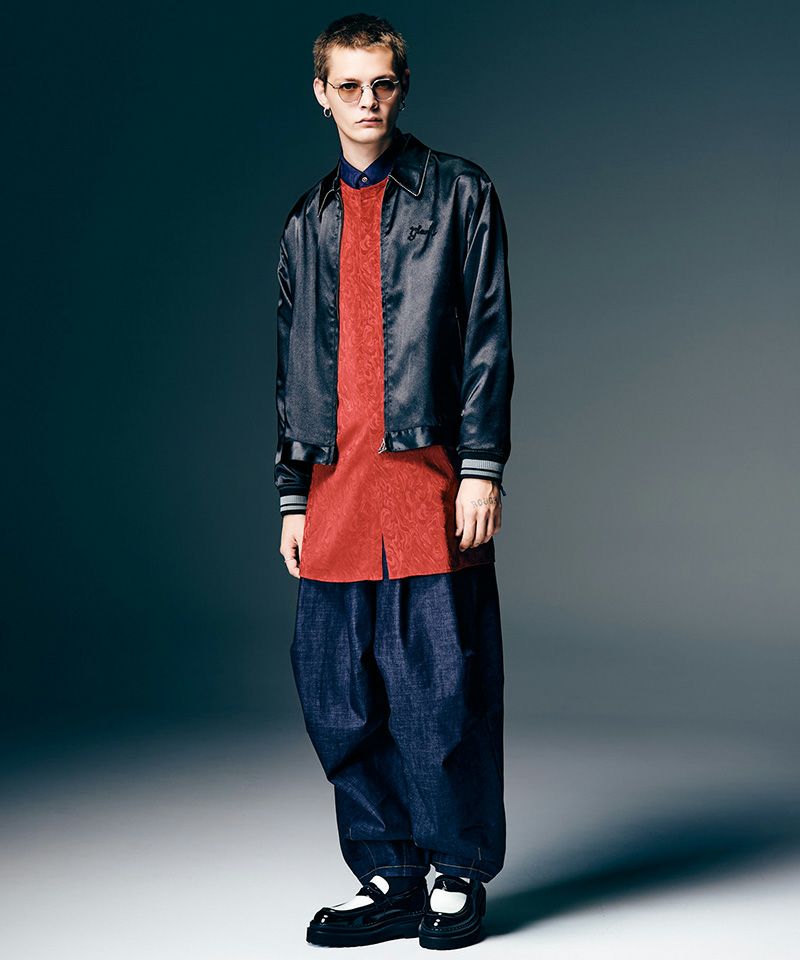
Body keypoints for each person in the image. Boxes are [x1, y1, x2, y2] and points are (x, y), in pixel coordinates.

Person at [274, 13, 514, 950]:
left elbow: (487, 334)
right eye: (349, 86)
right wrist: (292, 493)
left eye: (382, 84)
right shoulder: (307, 221)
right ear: (321, 94)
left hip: (427, 479)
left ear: (401, 88)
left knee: (441, 691)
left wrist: (481, 468)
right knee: (335, 694)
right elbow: (289, 368)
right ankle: (391, 874)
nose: (367, 102)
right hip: (335, 487)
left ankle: (456, 872)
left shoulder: (460, 193)